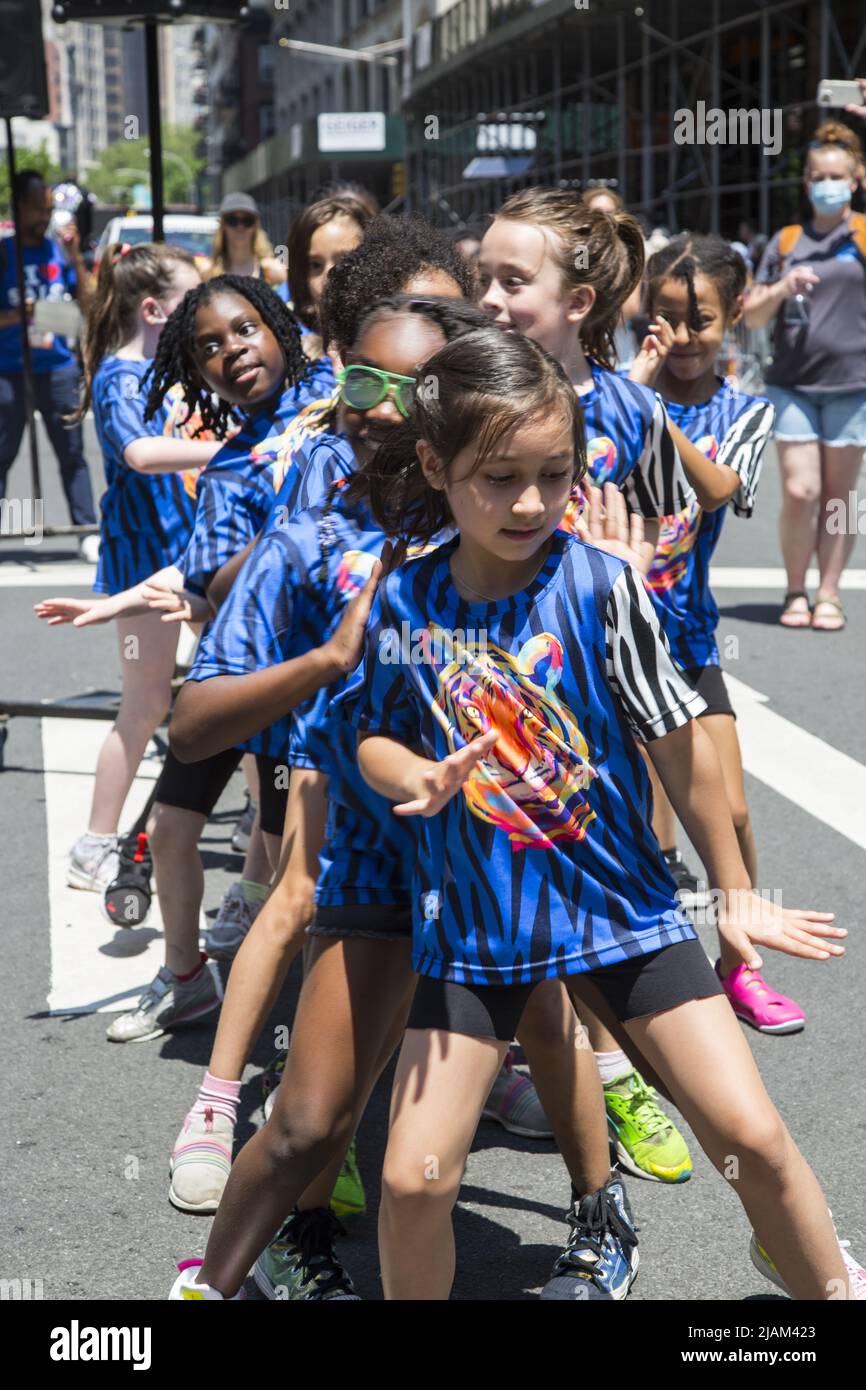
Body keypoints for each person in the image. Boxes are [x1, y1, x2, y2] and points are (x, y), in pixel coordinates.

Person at [341, 323, 862, 1302]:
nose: (529, 501)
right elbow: (367, 734)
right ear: (433, 466)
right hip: (476, 931)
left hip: (621, 912)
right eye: (497, 477)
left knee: (750, 1137)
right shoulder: (403, 603)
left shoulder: (600, 587)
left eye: (553, 472)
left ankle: (821, 1285)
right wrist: (404, 770)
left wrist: (733, 893)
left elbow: (679, 741)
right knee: (412, 1179)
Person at [166, 298, 652, 1303]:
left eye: (415, 389)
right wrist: (329, 657)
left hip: (502, 854)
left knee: (550, 1024)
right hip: (373, 858)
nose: (382, 410)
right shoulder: (307, 538)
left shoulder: (514, 510)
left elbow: (615, 676)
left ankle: (597, 1208)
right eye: (362, 383)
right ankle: (253, 1255)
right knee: (309, 1111)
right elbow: (193, 723)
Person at [478, 188, 710, 1183]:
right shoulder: (472, 384)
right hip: (485, 691)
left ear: (578, 301)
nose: (484, 297)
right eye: (480, 276)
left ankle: (617, 1072)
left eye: (508, 281)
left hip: (602, 701)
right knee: (509, 906)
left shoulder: (625, 404)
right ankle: (585, 1081)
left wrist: (630, 570)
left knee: (605, 897)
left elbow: (675, 514)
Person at [627, 233, 806, 1034]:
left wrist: (648, 416)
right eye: (667, 318)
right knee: (644, 815)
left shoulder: (744, 408)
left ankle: (740, 963)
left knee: (729, 815)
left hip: (689, 640)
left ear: (734, 316)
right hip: (610, 637)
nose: (685, 337)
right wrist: (628, 396)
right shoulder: (611, 390)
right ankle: (641, 985)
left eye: (701, 320)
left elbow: (718, 489)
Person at [36, 242, 224, 892]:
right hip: (144, 561)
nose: (204, 314)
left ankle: (261, 815)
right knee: (144, 705)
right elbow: (142, 454)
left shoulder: (165, 367)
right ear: (153, 309)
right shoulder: (120, 377)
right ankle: (94, 845)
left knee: (235, 679)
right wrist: (227, 449)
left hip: (188, 554)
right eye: (190, 302)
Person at [744, 133, 866, 631]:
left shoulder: (862, 235)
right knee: (800, 490)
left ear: (856, 181)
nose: (828, 186)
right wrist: (782, 286)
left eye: (838, 177)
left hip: (853, 385)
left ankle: (829, 592)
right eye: (819, 177)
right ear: (806, 182)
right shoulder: (786, 242)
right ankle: (796, 588)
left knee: (839, 499)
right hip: (791, 382)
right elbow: (750, 316)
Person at [0, 169, 98, 558]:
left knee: (71, 452)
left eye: (48, 209)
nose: (44, 217)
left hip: (57, 367)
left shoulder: (60, 250)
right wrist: (17, 315)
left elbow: (88, 305)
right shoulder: (4, 252)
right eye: (37, 209)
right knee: (3, 454)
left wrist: (75, 259)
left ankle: (85, 528)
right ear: (19, 206)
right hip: (9, 367)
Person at [205, 193, 287, 289]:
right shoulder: (208, 272)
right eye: (232, 220)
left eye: (247, 220)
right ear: (223, 226)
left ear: (255, 226)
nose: (240, 227)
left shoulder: (272, 270)